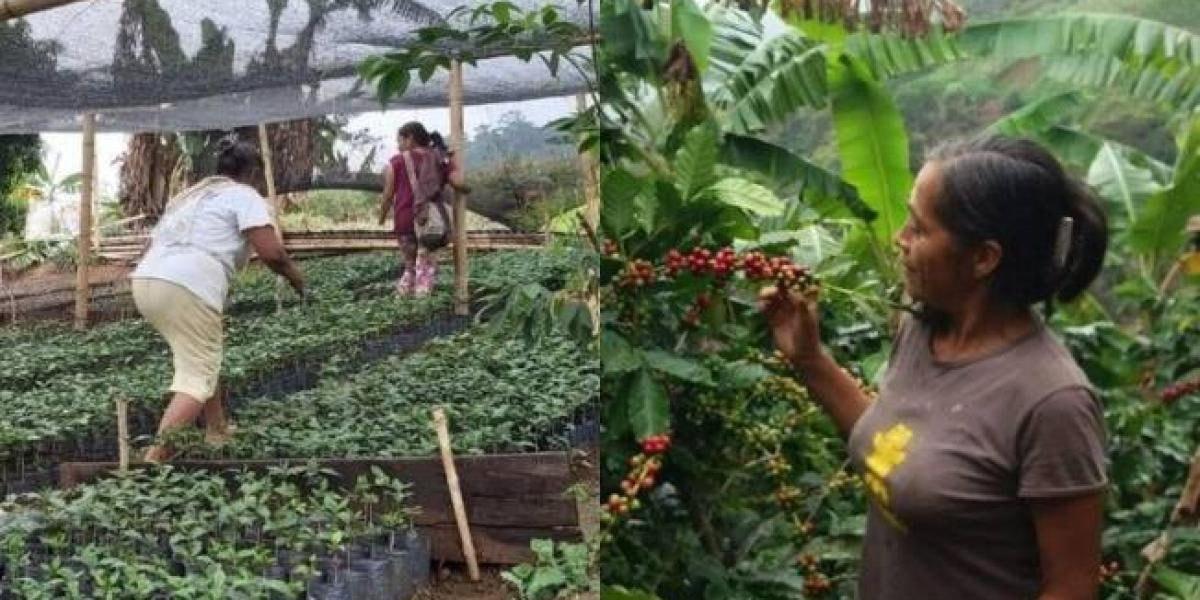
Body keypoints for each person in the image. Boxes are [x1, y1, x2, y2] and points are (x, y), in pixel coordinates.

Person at [761, 136, 1109, 599]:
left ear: (984, 258)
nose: (899, 239)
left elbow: (1071, 586)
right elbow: (895, 447)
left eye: (919, 229)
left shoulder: (1052, 402)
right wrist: (809, 359)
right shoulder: (923, 328)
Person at [131, 139, 306, 463]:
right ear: (251, 173)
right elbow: (272, 253)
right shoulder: (244, 195)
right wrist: (297, 279)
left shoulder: (192, 196)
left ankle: (217, 429)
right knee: (197, 376)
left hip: (147, 281)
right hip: (188, 282)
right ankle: (153, 462)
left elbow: (151, 246)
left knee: (201, 358)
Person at [377, 122, 468, 297]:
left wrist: (382, 217)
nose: (398, 145)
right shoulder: (440, 157)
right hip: (430, 221)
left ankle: (403, 303)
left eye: (400, 140)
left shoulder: (397, 161)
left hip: (405, 219)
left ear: (410, 138)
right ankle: (422, 303)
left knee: (410, 266)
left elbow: (388, 195)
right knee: (425, 267)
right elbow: (457, 182)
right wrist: (468, 187)